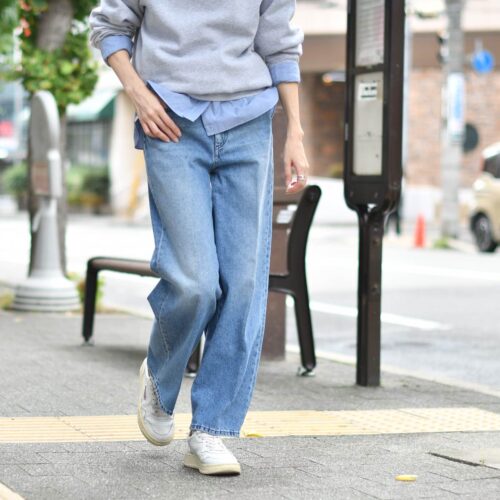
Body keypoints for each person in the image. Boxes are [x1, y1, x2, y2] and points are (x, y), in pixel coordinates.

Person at [88, 0, 310, 476]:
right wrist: (139, 94)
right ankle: (161, 375)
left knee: (243, 285)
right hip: (170, 123)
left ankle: (212, 429)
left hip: (249, 124)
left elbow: (279, 45)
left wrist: (295, 130)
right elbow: (109, 27)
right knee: (194, 281)